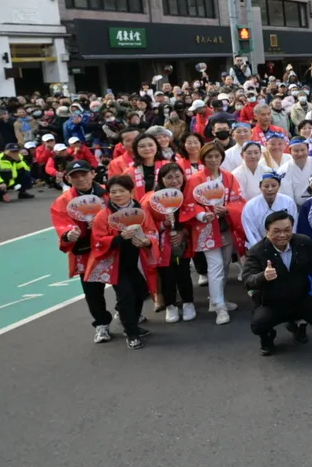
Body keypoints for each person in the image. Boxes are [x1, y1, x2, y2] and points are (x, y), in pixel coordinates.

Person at [86, 175, 159, 349]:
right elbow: (98, 239)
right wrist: (118, 238)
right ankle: (131, 331)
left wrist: (147, 242)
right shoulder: (103, 215)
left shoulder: (141, 210)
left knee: (141, 291)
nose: (117, 195)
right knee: (126, 296)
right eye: (113, 192)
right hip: (117, 262)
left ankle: (133, 323)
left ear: (131, 192)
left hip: (138, 259)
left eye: (122, 191)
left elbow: (151, 231)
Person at [240, 211, 312, 356]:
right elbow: (247, 280)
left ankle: (298, 325)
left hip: (299, 297)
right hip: (270, 302)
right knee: (259, 324)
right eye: (276, 231)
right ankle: (267, 336)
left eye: (287, 230)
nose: (282, 235)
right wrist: (263, 276)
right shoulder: (257, 251)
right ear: (267, 231)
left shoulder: (303, 242)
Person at [181, 142, 246, 324]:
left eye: (217, 156)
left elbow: (239, 200)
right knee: (215, 266)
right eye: (209, 156)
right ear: (203, 159)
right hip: (207, 229)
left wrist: (227, 209)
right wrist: (203, 214)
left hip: (226, 227)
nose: (213, 160)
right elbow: (189, 204)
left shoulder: (229, 177)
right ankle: (219, 307)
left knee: (225, 265)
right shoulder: (195, 179)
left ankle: (218, 299)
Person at [51, 159, 113, 342]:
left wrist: (103, 222)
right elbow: (62, 224)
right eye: (75, 176)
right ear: (68, 179)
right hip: (85, 251)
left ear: (93, 174)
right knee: (92, 291)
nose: (80, 179)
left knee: (126, 285)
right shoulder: (63, 201)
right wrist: (69, 234)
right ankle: (102, 324)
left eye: (84, 174)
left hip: (112, 247)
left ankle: (128, 316)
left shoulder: (109, 192)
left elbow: (123, 212)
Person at [141, 162, 195, 323]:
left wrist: (184, 233)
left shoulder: (187, 194)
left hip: (182, 243)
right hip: (163, 244)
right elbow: (146, 224)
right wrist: (163, 224)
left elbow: (194, 220)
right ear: (161, 179)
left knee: (184, 273)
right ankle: (171, 305)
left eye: (177, 176)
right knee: (167, 276)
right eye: (169, 177)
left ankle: (188, 303)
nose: (174, 180)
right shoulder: (152, 200)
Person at [241, 171, 299, 249]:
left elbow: (293, 226)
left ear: (279, 186)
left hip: (285, 244)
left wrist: (287, 243)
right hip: (259, 246)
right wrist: (260, 248)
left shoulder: (288, 202)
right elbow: (250, 231)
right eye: (266, 186)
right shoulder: (251, 206)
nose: (270, 189)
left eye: (274, 185)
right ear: (260, 187)